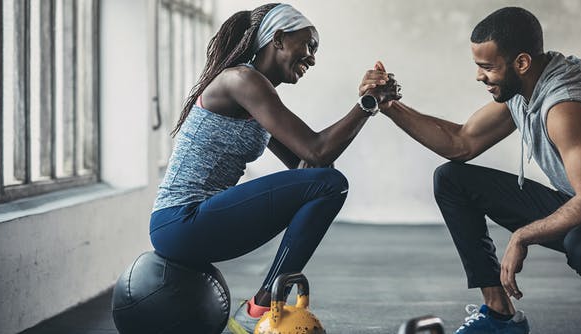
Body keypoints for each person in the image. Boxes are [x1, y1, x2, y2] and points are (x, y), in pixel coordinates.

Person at [371, 7, 581, 334]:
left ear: (521, 63)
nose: (479, 77)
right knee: (451, 179)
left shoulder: (564, 109)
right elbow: (461, 143)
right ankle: (500, 316)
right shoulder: (524, 89)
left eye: (486, 67)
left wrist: (523, 235)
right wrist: (389, 107)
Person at [148, 3, 400, 334]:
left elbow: (310, 166)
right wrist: (366, 105)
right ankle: (261, 306)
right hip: (180, 221)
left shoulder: (256, 94)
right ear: (278, 38)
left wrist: (370, 101)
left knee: (327, 183)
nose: (312, 57)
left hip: (198, 225)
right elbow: (317, 153)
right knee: (329, 183)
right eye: (309, 45)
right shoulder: (240, 80)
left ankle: (260, 303)